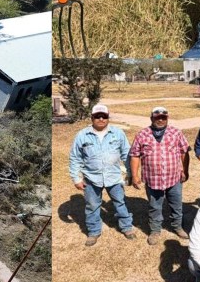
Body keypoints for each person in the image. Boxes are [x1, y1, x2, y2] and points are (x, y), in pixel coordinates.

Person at [69, 103, 135, 245]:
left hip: (114, 177)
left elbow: (126, 154)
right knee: (92, 205)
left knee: (120, 202)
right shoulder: (82, 135)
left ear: (108, 118)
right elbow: (75, 158)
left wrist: (130, 173)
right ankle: (93, 231)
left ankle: (126, 227)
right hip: (91, 179)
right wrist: (76, 178)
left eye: (103, 116)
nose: (100, 119)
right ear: (92, 117)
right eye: (97, 116)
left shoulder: (118, 133)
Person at [129, 106, 190, 245]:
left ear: (167, 118)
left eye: (164, 117)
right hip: (152, 179)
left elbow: (184, 152)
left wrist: (185, 171)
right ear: (151, 118)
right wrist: (134, 175)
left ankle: (177, 226)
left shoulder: (176, 133)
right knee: (155, 206)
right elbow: (134, 155)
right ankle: (155, 230)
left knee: (176, 204)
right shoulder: (142, 134)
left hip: (174, 178)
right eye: (157, 118)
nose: (161, 120)